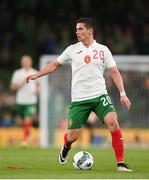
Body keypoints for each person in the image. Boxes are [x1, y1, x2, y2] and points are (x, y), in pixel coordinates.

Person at [25, 18, 132, 171]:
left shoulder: (103, 50)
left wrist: (123, 93)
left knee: (113, 122)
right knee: (72, 136)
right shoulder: (72, 49)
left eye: (80, 29)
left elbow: (114, 71)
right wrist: (38, 74)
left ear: (90, 31)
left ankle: (120, 163)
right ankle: (65, 147)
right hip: (79, 99)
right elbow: (55, 64)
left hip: (99, 95)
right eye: (76, 29)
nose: (77, 32)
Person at [11, 55, 40, 147]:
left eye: (28, 61)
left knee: (27, 119)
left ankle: (24, 140)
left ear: (31, 62)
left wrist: (38, 89)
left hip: (31, 100)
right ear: (22, 63)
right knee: (23, 121)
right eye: (25, 61)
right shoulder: (17, 73)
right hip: (21, 100)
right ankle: (28, 133)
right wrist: (21, 83)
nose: (26, 63)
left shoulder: (34, 72)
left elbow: (39, 84)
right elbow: (13, 88)